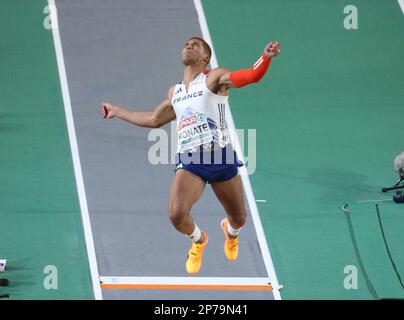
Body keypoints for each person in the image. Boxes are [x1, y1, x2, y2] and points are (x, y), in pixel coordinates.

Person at [100, 37, 280, 274]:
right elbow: (154, 119)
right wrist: (117, 111)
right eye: (186, 43)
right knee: (176, 214)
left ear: (205, 57)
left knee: (240, 217)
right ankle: (199, 240)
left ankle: (231, 232)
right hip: (191, 161)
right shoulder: (175, 92)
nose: (188, 46)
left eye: (196, 45)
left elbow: (250, 76)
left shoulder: (214, 79)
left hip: (220, 158)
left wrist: (264, 58)